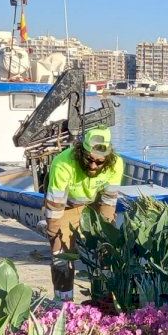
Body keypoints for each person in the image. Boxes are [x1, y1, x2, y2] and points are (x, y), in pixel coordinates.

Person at [43, 127, 123, 301]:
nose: (93, 166)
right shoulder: (63, 163)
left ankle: (103, 299)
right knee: (61, 257)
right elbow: (55, 207)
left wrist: (106, 234)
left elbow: (108, 203)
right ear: (80, 151)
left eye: (99, 162)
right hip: (66, 205)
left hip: (95, 201)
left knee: (106, 249)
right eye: (89, 159)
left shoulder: (116, 164)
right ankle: (63, 302)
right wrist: (54, 237)